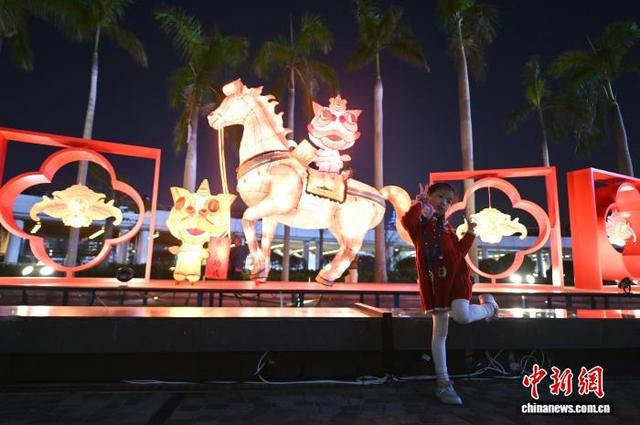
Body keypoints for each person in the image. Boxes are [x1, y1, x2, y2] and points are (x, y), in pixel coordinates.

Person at [401, 182, 499, 406]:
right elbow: (407, 222)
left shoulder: (447, 227)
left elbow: (459, 251)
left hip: (456, 278)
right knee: (440, 333)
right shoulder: (420, 224)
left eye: (448, 201)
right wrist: (419, 204)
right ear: (429, 196)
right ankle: (443, 383)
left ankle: (489, 307)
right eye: (440, 197)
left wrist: (471, 232)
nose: (444, 203)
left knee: (462, 316)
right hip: (435, 284)